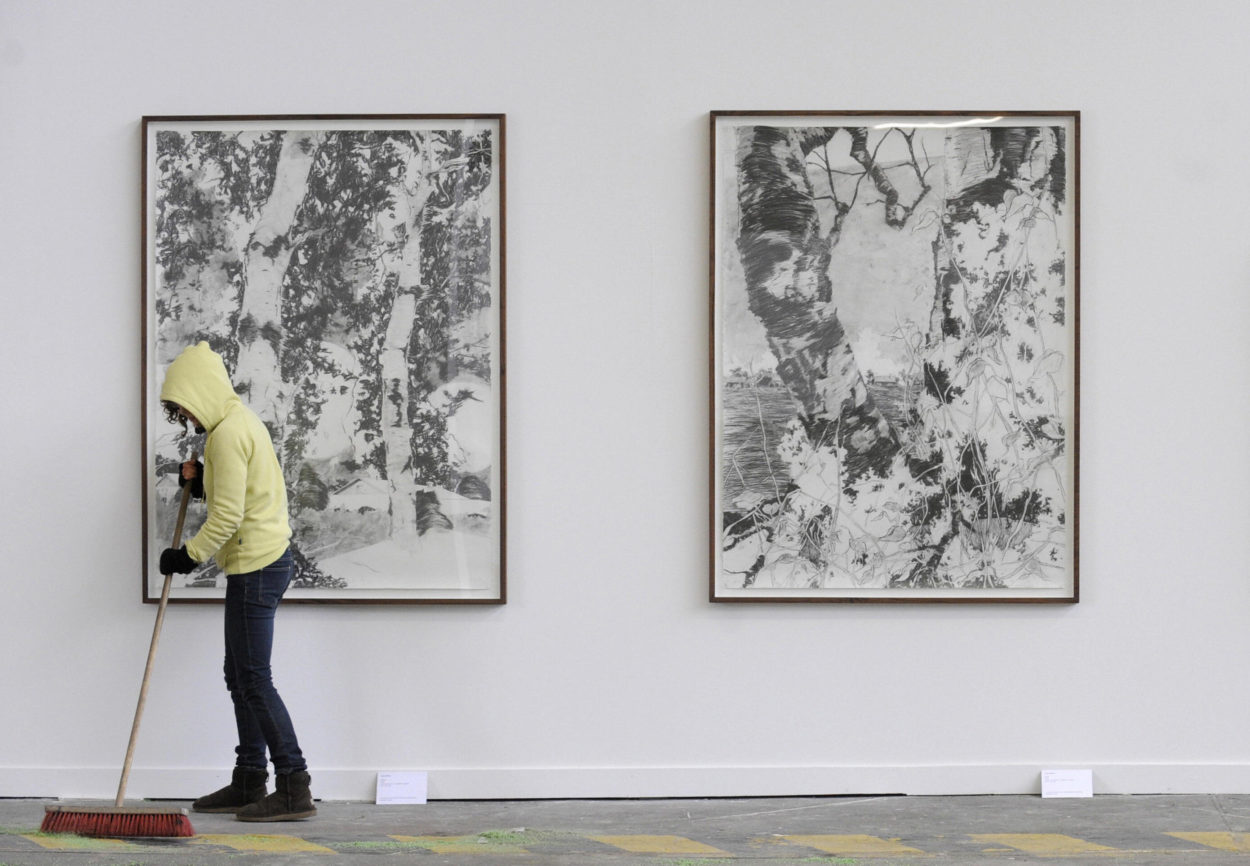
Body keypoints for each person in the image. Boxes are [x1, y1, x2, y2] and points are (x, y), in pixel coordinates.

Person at [157, 341, 315, 822]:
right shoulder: (239, 424)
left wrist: (186, 557)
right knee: (241, 676)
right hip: (266, 562)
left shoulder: (226, 435)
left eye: (184, 407)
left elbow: (228, 515)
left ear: (200, 392)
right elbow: (241, 490)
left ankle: (293, 786)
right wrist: (203, 479)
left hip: (256, 567)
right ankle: (250, 778)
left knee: (252, 678)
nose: (185, 418)